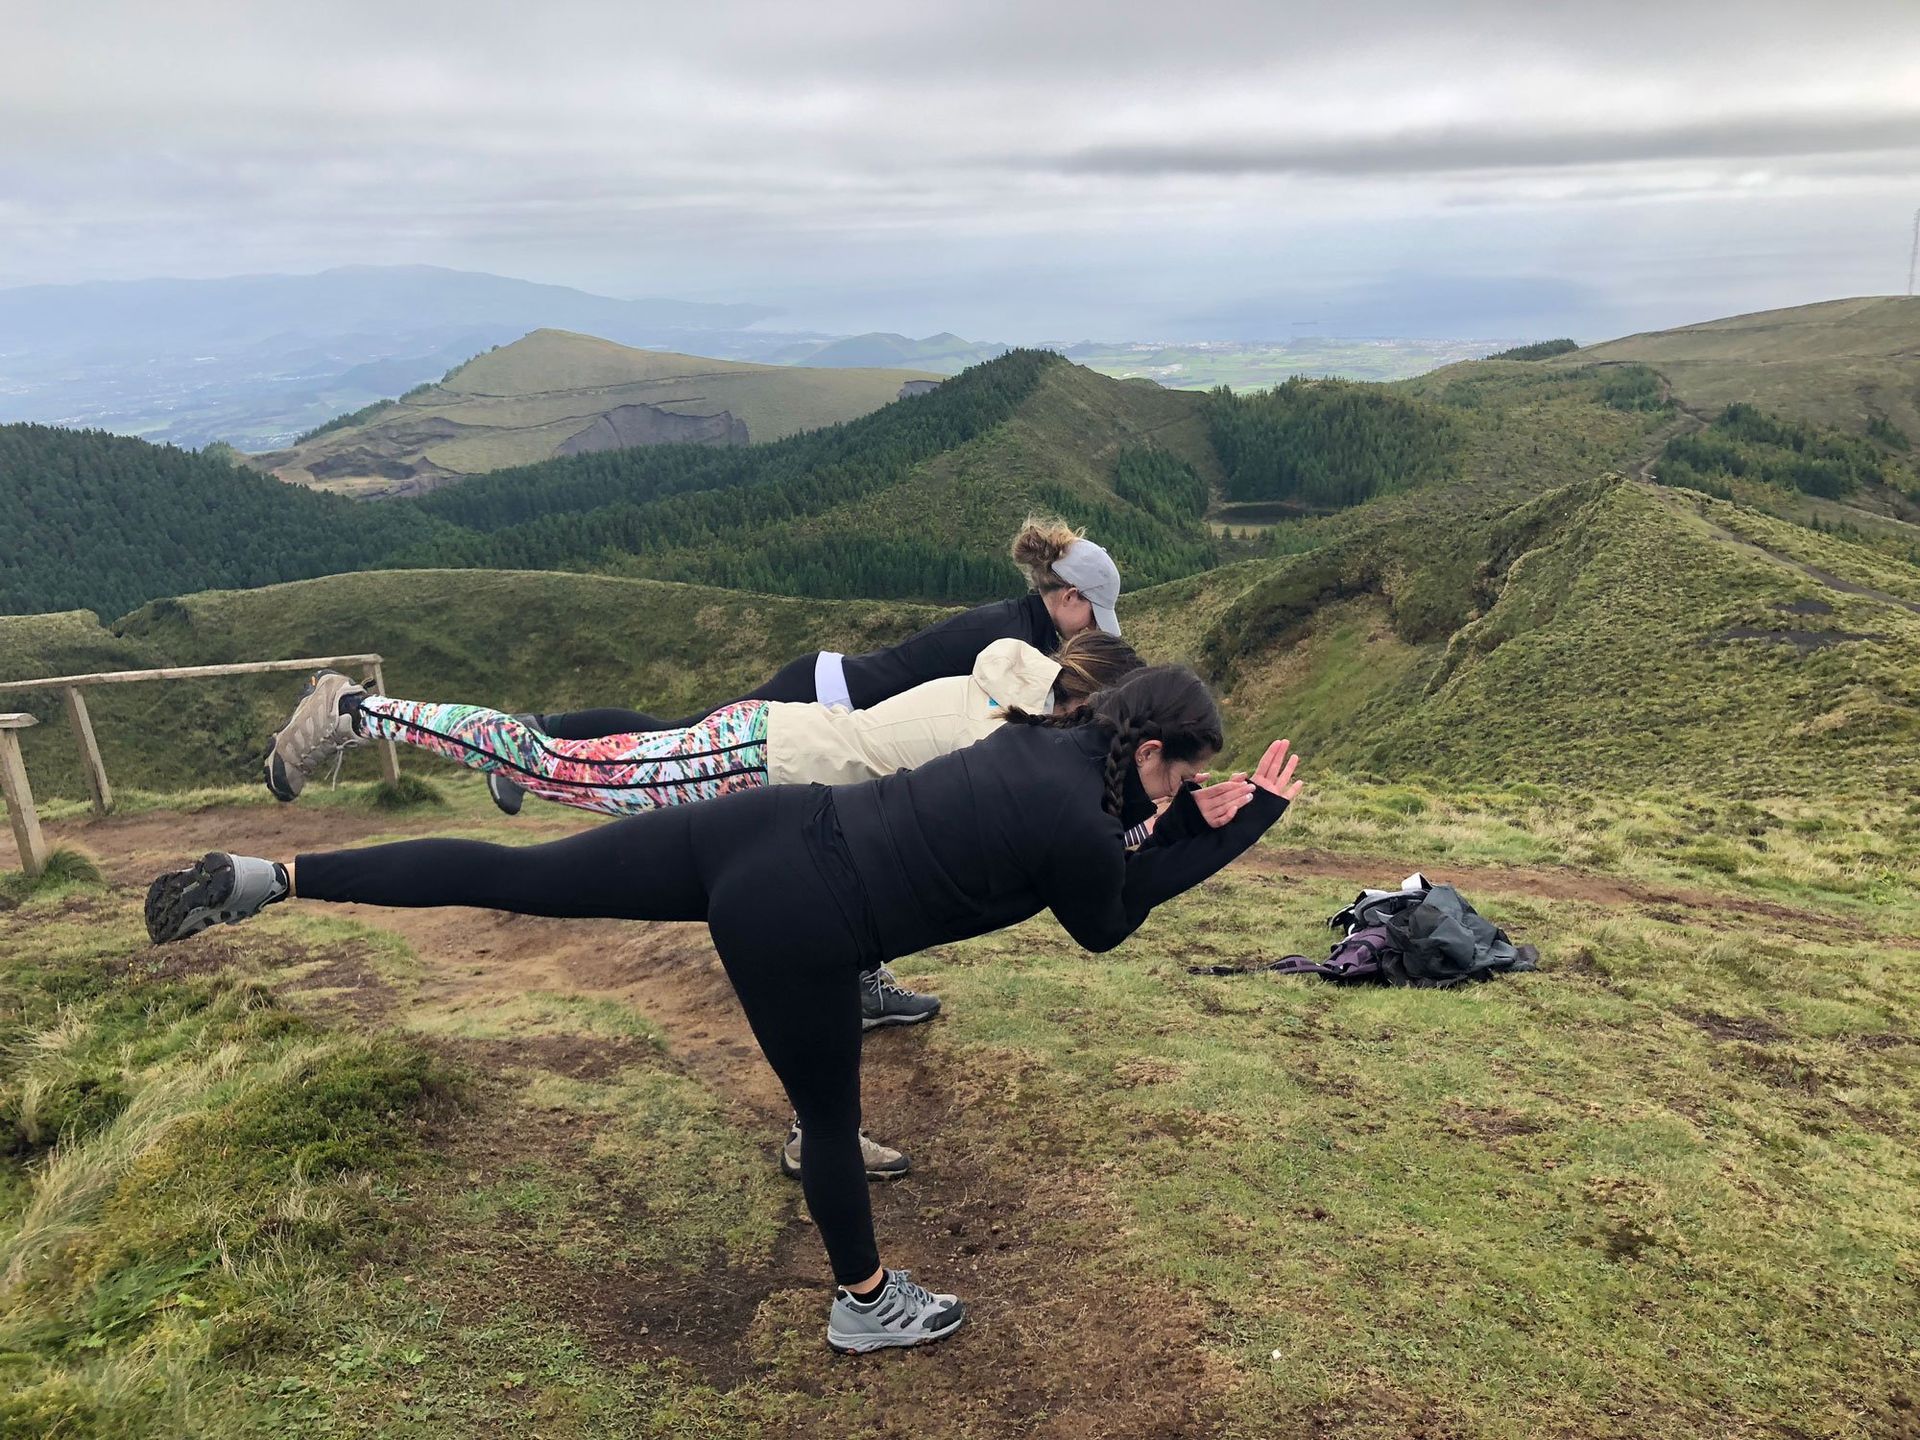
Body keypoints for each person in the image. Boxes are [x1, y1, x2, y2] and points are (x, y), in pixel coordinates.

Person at [146, 667, 1304, 1354]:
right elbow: (1108, 918)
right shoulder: (1081, 821)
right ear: (1146, 750)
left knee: (524, 872)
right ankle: (863, 1302)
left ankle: (275, 878)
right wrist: (1235, 829)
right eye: (1183, 774)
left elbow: (1118, 849)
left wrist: (1192, 821)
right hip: (800, 918)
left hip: (760, 827)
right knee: (831, 1120)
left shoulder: (1044, 740)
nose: (1186, 791)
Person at [486, 517, 1124, 815]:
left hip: (832, 704)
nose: (1096, 631)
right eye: (1095, 616)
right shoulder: (1010, 637)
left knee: (670, 734)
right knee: (667, 737)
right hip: (817, 706)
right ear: (1069, 598)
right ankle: (533, 733)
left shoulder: (1023, 626)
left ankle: (537, 737)